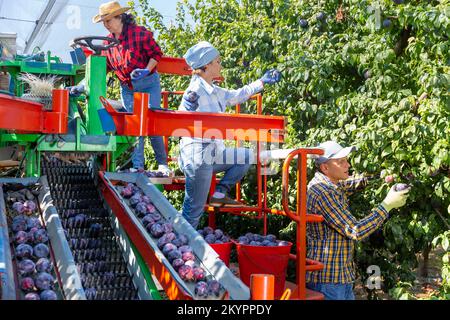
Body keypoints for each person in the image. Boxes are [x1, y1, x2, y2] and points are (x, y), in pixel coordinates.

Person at [178, 41, 281, 228]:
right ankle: (180, 248)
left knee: (246, 156)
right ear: (206, 65)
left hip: (213, 153)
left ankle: (219, 195)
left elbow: (237, 95)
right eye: (217, 61)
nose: (220, 65)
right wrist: (187, 105)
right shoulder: (194, 90)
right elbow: (182, 113)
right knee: (194, 209)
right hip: (197, 155)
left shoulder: (215, 91)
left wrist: (262, 82)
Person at [306, 140, 410, 300]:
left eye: (346, 160)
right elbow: (356, 230)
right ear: (325, 168)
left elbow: (353, 182)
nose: (348, 165)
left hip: (340, 277)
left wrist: (383, 177)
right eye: (341, 162)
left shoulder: (332, 183)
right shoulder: (323, 192)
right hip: (328, 280)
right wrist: (387, 205)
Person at [90, 1, 170, 174]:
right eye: (104, 22)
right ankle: (137, 166)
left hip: (148, 84)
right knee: (134, 126)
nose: (106, 25)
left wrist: (145, 70)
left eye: (108, 21)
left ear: (120, 18)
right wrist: (87, 83)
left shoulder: (139, 33)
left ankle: (162, 163)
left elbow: (156, 54)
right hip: (127, 87)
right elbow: (106, 68)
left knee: (152, 121)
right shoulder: (107, 43)